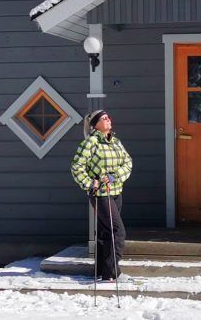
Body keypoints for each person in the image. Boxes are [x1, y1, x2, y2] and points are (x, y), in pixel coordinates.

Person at [70, 109, 132, 282]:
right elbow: (77, 166)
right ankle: (113, 272)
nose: (108, 120)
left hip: (116, 191)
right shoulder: (90, 143)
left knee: (106, 231)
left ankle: (101, 271)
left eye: (108, 117)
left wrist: (115, 176)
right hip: (101, 193)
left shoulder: (116, 142)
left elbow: (128, 163)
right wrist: (90, 183)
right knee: (117, 231)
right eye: (103, 119)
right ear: (95, 125)